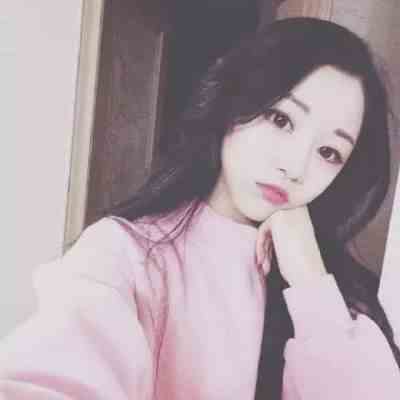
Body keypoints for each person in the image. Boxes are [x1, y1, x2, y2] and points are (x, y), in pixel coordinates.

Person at [1, 17, 400, 400]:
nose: (295, 167)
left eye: (329, 152)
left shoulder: (334, 297)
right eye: (280, 119)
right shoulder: (126, 255)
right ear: (232, 104)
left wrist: (310, 283)